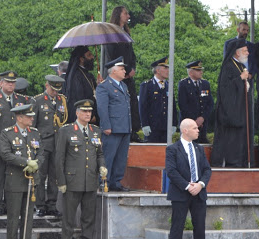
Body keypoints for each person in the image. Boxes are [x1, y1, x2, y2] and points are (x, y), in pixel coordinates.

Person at [55, 99, 106, 239]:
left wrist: (102, 166)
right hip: (72, 181)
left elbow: (99, 154)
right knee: (69, 216)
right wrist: (61, 181)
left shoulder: (95, 131)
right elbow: (59, 158)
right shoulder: (67, 130)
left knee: (89, 216)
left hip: (90, 180)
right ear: (77, 113)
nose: (88, 114)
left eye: (90, 112)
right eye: (84, 111)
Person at [0, 70, 33, 216]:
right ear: (1, 83)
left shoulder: (20, 99)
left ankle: (8, 203)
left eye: (13, 83)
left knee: (12, 176)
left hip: (15, 145)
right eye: (8, 82)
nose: (11, 85)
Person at [165, 118, 213, 239]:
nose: (198, 130)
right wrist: (187, 186)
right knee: (177, 225)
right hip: (181, 193)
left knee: (200, 225)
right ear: (185, 130)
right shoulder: (173, 149)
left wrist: (200, 184)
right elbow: (171, 172)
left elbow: (207, 169)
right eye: (194, 128)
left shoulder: (199, 148)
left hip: (199, 192)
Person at [0, 104, 43, 239]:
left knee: (28, 216)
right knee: (13, 216)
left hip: (32, 180)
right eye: (29, 116)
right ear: (19, 118)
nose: (32, 118)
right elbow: (5, 154)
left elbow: (41, 152)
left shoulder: (35, 133)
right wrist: (25, 162)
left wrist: (37, 163)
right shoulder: (8, 133)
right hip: (15, 179)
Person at [211, 39, 255, 168]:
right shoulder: (228, 66)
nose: (248, 53)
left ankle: (242, 162)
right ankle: (232, 163)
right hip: (230, 113)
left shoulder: (241, 66)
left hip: (241, 111)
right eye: (245, 51)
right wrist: (239, 79)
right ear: (237, 52)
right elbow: (224, 89)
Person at [103, 5, 142, 143]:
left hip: (127, 75)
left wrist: (132, 68)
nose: (128, 16)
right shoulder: (111, 33)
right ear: (119, 14)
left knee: (132, 102)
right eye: (126, 13)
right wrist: (120, 70)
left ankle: (133, 131)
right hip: (117, 74)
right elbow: (111, 55)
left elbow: (131, 54)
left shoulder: (126, 32)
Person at [32, 75, 67, 216]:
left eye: (57, 90)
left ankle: (51, 204)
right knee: (40, 175)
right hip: (43, 143)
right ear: (47, 86)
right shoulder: (37, 100)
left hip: (57, 143)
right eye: (53, 89)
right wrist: (34, 144)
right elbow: (33, 125)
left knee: (54, 175)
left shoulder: (62, 100)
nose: (55, 92)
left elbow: (64, 121)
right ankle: (40, 205)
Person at [97, 57, 132, 192]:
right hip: (112, 127)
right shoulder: (104, 86)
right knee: (108, 156)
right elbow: (102, 108)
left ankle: (116, 182)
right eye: (122, 69)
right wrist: (106, 125)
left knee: (121, 157)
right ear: (114, 71)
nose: (125, 71)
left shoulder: (123, 85)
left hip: (124, 126)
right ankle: (104, 181)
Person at [139, 56, 176, 143]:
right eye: (165, 68)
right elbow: (142, 106)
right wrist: (144, 124)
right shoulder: (147, 85)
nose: (168, 71)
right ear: (158, 70)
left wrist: (174, 123)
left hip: (166, 126)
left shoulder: (169, 85)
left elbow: (173, 106)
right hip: (152, 126)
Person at [177, 60, 213, 143]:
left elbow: (210, 103)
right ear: (191, 73)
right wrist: (194, 121)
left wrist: (202, 118)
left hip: (203, 125)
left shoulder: (205, 84)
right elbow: (183, 105)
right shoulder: (184, 84)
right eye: (198, 70)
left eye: (201, 70)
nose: (201, 72)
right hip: (188, 125)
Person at [64, 45, 98, 124]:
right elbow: (79, 99)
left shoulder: (88, 74)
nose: (92, 57)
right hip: (83, 116)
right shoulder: (76, 76)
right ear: (81, 59)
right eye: (89, 55)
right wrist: (91, 115)